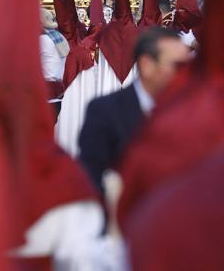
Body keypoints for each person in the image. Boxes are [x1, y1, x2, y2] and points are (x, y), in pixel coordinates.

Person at [78, 27, 190, 191]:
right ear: (147, 65)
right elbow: (91, 179)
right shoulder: (105, 112)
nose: (186, 74)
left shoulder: (191, 111)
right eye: (178, 66)